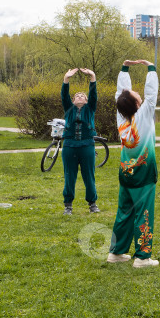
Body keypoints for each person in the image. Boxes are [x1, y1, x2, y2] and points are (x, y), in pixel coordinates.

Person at [107, 60, 160, 268]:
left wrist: (124, 69)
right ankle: (142, 257)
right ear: (137, 103)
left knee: (124, 212)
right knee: (143, 213)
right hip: (144, 174)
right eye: (136, 95)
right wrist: (151, 68)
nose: (139, 94)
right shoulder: (144, 115)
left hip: (126, 174)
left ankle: (116, 252)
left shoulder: (121, 118)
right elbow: (151, 94)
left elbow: (121, 94)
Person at [60, 67, 99, 215]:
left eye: (83, 96)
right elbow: (64, 95)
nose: (80, 96)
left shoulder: (90, 109)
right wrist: (66, 78)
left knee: (89, 175)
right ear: (73, 100)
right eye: (77, 96)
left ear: (87, 101)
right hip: (70, 146)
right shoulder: (69, 108)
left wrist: (92, 77)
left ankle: (92, 204)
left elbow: (94, 95)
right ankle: (68, 206)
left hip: (87, 145)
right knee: (70, 175)